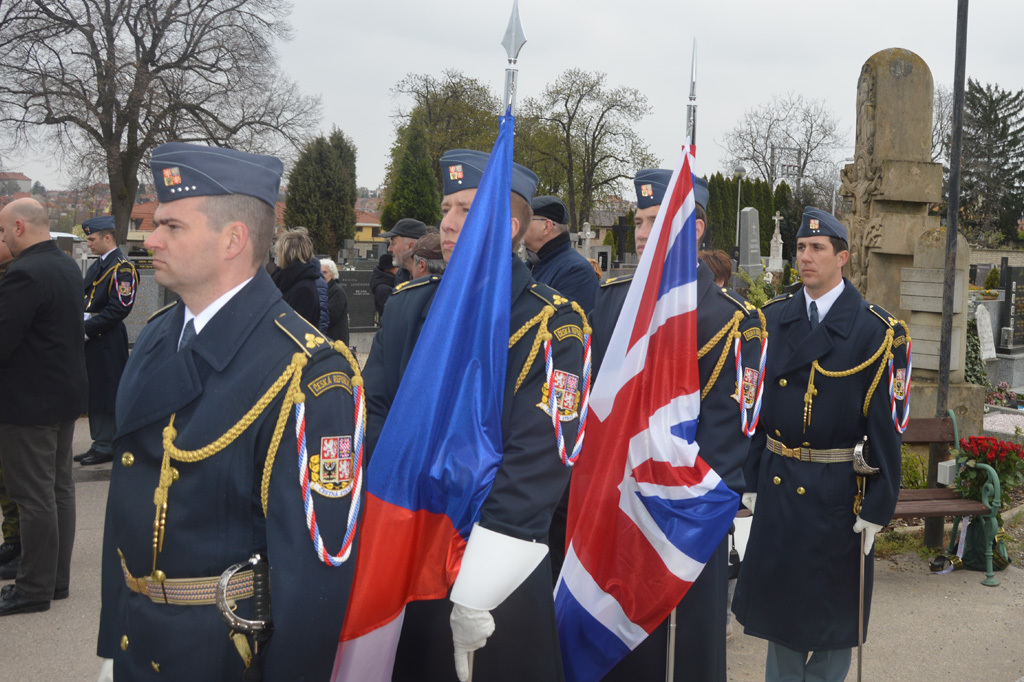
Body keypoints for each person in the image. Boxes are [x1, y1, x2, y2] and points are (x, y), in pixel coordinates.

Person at [96, 142, 363, 680]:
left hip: (220, 654)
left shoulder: (308, 372)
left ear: (232, 239)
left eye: (172, 227)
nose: (150, 239)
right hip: (138, 640)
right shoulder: (156, 337)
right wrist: (111, 641)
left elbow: (316, 580)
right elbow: (129, 497)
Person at [364, 148, 586, 682]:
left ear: (508, 225)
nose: (446, 223)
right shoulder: (407, 307)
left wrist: (479, 583)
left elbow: (540, 459)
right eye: (446, 208)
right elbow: (374, 414)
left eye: (465, 209)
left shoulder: (554, 326)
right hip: (410, 547)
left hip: (493, 565)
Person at [585, 169, 762, 681]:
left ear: (696, 229)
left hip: (689, 520)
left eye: (654, 221)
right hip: (620, 509)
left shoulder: (734, 320)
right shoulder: (614, 298)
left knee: (685, 659)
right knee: (619, 651)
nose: (642, 234)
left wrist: (688, 513)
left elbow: (733, 437)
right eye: (639, 222)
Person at [732, 208, 904, 682]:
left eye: (817, 249)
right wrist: (749, 480)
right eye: (801, 249)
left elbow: (887, 430)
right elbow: (756, 414)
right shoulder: (771, 321)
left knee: (834, 625)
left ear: (842, 257)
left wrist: (879, 505)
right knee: (781, 622)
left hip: (838, 494)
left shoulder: (876, 332)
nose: (805, 258)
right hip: (780, 486)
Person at [0, 197, 87, 615]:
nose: (2, 239)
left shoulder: (25, 273)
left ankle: (33, 588)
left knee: (34, 496)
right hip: (62, 396)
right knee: (58, 490)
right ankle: (56, 581)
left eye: (2, 231)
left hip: (28, 403)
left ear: (19, 227)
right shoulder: (65, 265)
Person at [76, 215, 137, 467]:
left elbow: (119, 308)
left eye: (91, 239)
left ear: (107, 237)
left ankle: (106, 445)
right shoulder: (99, 264)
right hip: (93, 336)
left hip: (106, 338)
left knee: (106, 390)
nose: (88, 243)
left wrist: (87, 328)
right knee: (95, 391)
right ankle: (99, 441)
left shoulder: (122, 268)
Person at [524, 195, 598, 312]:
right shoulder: (530, 265)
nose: (520, 225)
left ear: (546, 227)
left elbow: (568, 324)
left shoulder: (576, 271)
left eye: (526, 219)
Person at [0, 236, 21, 580]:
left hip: (14, 396)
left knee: (13, 477)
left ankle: (18, 543)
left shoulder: (19, 278)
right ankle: (12, 539)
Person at [271, 229, 321, 328]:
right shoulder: (284, 280)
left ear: (288, 254)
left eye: (279, 251)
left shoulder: (303, 290)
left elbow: (295, 329)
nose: (277, 255)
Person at [381, 217, 429, 286]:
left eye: (393, 243)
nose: (389, 249)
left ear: (411, 247)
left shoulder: (434, 278)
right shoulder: (402, 274)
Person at [320, 257, 350, 346]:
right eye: (319, 272)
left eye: (325, 272)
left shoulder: (337, 291)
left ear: (332, 274)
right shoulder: (321, 289)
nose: (321, 275)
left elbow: (330, 316)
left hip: (336, 340)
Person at [369, 252, 398, 323]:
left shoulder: (390, 282)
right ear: (387, 269)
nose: (398, 269)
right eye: (396, 267)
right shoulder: (383, 288)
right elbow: (390, 311)